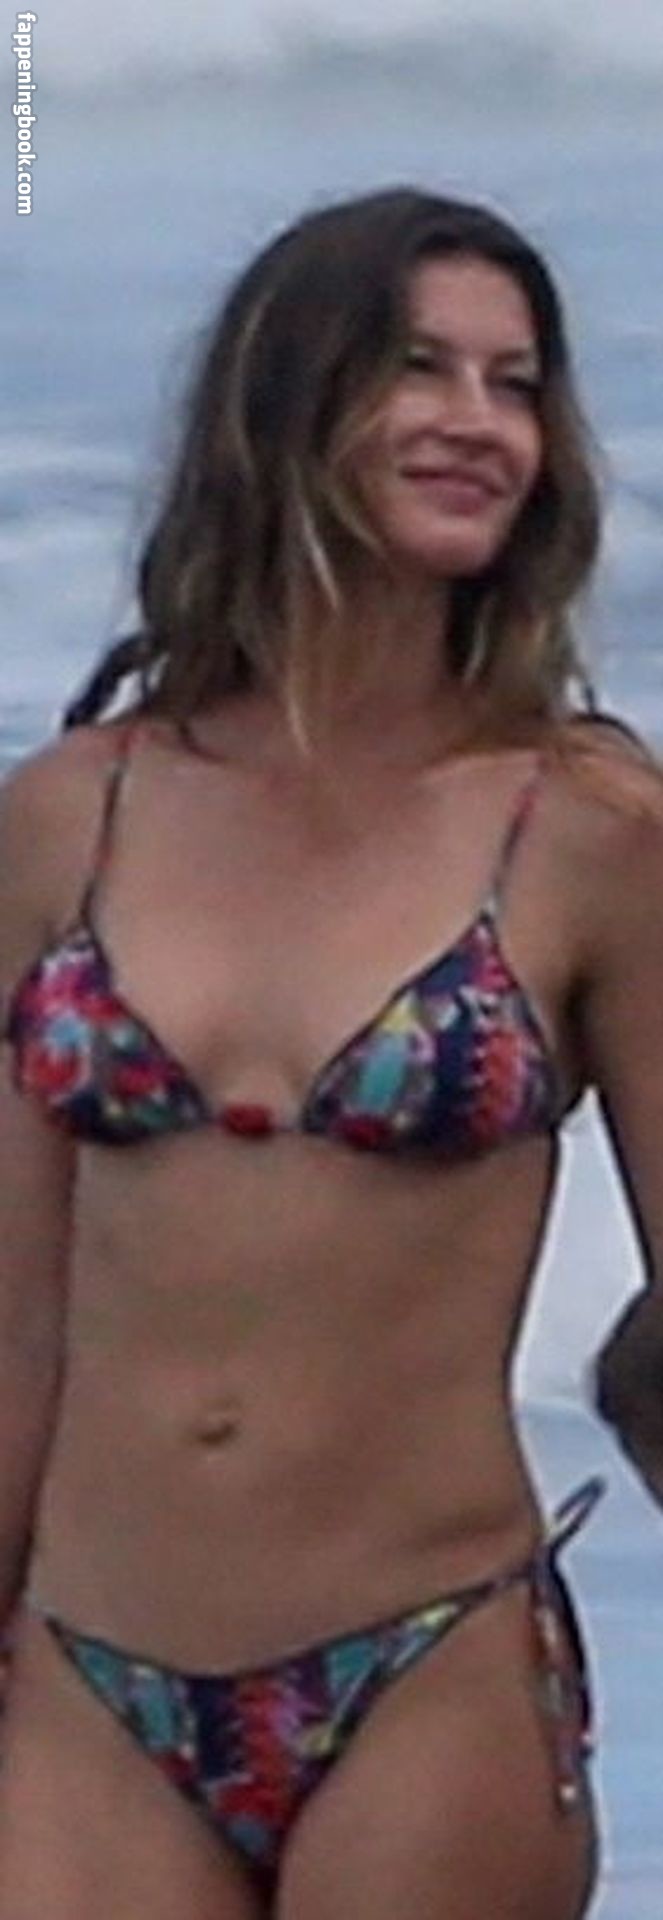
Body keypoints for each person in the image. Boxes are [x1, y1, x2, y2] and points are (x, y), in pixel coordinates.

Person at [0, 184, 662, 1920]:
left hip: (425, 1662)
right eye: (420, 367)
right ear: (285, 402)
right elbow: (13, 1314)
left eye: (517, 384)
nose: (479, 421)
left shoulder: (587, 828)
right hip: (85, 1671)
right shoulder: (71, 814)